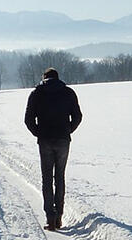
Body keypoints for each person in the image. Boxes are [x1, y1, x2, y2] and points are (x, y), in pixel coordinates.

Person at [24, 67, 83, 231]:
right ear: (58, 78)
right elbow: (78, 116)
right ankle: (59, 218)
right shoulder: (68, 92)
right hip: (63, 140)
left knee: (47, 179)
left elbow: (28, 119)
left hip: (45, 140)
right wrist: (67, 130)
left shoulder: (36, 93)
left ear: (44, 77)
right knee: (60, 177)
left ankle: (50, 219)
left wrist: (39, 133)